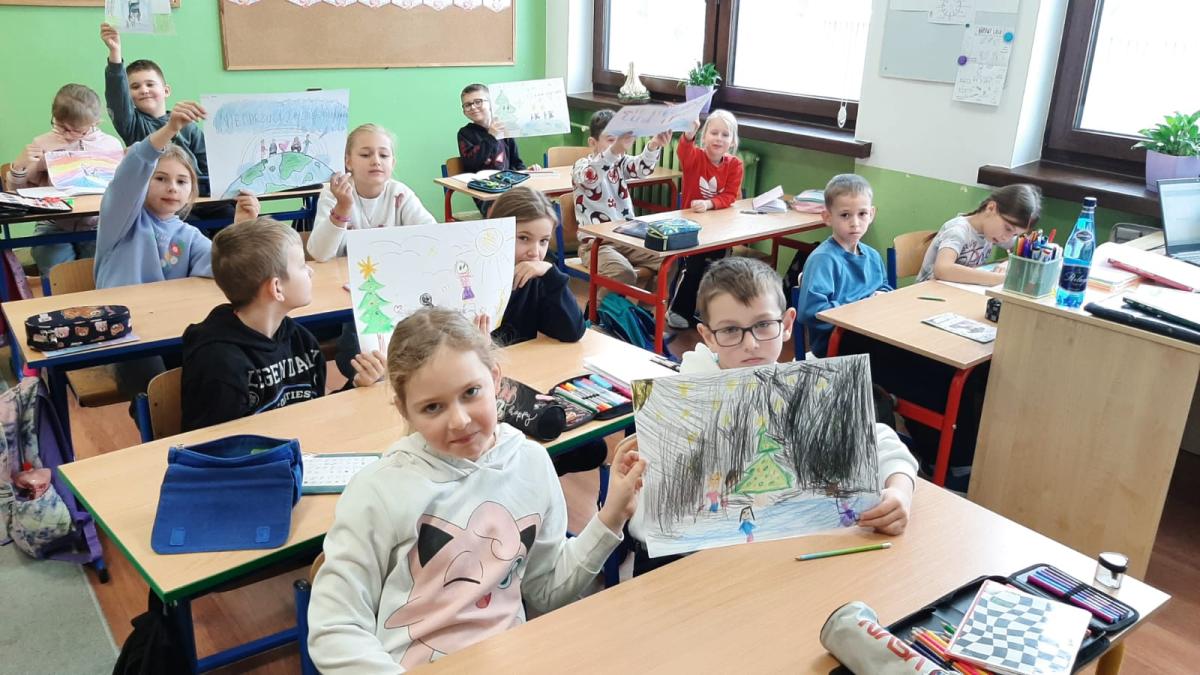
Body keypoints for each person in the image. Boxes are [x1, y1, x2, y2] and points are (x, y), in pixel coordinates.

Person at [307, 308, 647, 671]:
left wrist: (611, 517)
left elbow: (546, 591)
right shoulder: (379, 491)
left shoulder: (531, 464)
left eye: (471, 392)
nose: (459, 420)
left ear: (496, 379)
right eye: (432, 407)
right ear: (404, 409)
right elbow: (335, 628)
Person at [631, 257, 918, 576]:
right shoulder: (677, 407)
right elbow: (646, 526)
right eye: (730, 330)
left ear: (787, 324)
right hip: (696, 570)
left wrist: (899, 490)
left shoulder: (808, 390)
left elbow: (883, 442)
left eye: (763, 325)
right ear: (708, 335)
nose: (750, 344)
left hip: (783, 562)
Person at [94, 101, 255, 403]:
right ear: (142, 183)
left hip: (171, 328)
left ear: (191, 192)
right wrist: (170, 129)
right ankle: (156, 422)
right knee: (154, 382)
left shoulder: (189, 235)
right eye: (160, 178)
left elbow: (224, 268)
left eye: (182, 182)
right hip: (126, 335)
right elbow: (131, 173)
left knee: (212, 358)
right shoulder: (122, 219)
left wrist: (241, 229)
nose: (172, 187)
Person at [181, 216, 385, 432]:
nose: (311, 271)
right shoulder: (219, 363)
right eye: (302, 265)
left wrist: (355, 385)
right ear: (276, 288)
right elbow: (216, 443)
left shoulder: (302, 341)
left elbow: (315, 416)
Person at [5, 83, 123, 274]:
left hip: (97, 224)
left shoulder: (110, 146)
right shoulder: (43, 144)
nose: (68, 135)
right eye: (61, 126)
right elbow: (17, 194)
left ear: (95, 122)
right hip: (54, 223)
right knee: (53, 263)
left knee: (100, 266)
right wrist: (19, 167)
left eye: (76, 130)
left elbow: (121, 191)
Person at [306, 123, 437, 262]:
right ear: (348, 161)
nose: (376, 161)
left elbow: (434, 236)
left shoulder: (400, 194)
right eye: (365, 155)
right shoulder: (334, 194)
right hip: (343, 274)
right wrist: (342, 208)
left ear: (392, 163)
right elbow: (319, 254)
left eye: (384, 155)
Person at [572, 109, 671, 290]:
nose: (617, 146)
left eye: (619, 140)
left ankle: (644, 307)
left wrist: (654, 145)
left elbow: (642, 169)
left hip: (627, 238)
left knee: (671, 259)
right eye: (611, 140)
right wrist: (614, 151)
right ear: (593, 142)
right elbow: (590, 179)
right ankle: (598, 309)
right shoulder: (582, 166)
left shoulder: (620, 162)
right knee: (622, 272)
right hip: (596, 245)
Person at [796, 174, 892, 358]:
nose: (855, 223)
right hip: (837, 341)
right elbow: (810, 312)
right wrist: (860, 309)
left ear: (871, 214)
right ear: (828, 217)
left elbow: (885, 286)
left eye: (862, 214)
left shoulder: (872, 255)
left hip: (870, 329)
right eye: (845, 215)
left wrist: (882, 294)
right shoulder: (823, 260)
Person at [666, 110, 745, 329]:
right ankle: (677, 310)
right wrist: (689, 134)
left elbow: (730, 195)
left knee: (717, 269)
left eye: (725, 135)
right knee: (691, 268)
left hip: (720, 228)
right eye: (714, 133)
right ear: (704, 136)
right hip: (692, 227)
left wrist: (709, 204)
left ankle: (706, 311)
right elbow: (683, 151)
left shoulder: (735, 165)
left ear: (733, 141)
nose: (719, 138)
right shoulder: (696, 158)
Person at [100, 22, 206, 180]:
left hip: (195, 191)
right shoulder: (132, 124)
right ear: (128, 96)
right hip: (153, 191)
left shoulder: (188, 127)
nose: (144, 90)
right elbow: (117, 96)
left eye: (150, 84)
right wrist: (115, 52)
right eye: (135, 87)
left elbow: (208, 166)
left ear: (166, 91)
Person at [916, 183, 1042, 285]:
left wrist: (1008, 264)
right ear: (991, 208)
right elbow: (943, 269)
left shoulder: (993, 232)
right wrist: (999, 279)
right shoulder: (958, 231)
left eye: (1015, 234)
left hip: (958, 292)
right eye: (1008, 229)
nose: (1007, 238)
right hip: (928, 294)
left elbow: (1024, 250)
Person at [456, 83, 540, 215]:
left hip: (511, 189)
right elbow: (471, 163)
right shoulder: (465, 133)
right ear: (464, 110)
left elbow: (516, 162)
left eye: (478, 102)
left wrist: (525, 172)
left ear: (490, 103)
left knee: (538, 205)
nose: (473, 107)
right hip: (486, 193)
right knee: (516, 211)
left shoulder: (504, 129)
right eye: (467, 105)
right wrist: (491, 137)